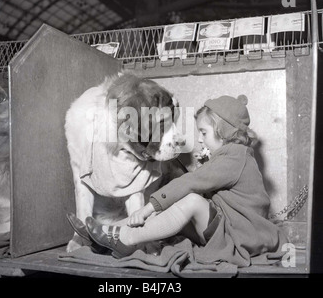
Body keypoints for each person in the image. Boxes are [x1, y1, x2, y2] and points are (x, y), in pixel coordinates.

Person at [78, 94, 289, 265]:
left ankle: (126, 239)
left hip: (238, 238)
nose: (199, 139)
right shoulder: (234, 156)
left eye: (204, 133)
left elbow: (191, 183)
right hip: (227, 228)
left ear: (223, 132)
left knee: (189, 199)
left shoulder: (235, 156)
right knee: (175, 201)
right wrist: (205, 165)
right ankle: (103, 234)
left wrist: (148, 207)